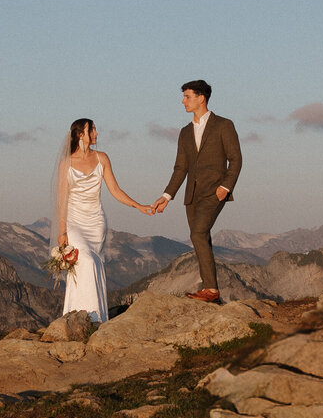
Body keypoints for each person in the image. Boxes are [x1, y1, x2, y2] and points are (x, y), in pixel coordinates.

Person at [54, 118, 153, 322]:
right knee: (86, 261)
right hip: (74, 222)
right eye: (93, 130)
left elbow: (115, 190)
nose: (97, 134)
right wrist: (62, 231)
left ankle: (96, 317)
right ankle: (87, 316)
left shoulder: (102, 158)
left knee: (93, 264)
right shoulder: (66, 162)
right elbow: (61, 200)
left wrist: (139, 206)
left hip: (96, 222)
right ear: (81, 134)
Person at [152, 80, 242, 303]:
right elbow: (180, 168)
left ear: (201, 98)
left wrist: (225, 187)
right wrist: (166, 196)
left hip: (215, 192)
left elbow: (236, 159)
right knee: (202, 238)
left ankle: (211, 289)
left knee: (198, 233)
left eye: (187, 96)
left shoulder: (224, 125)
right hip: (191, 195)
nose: (183, 101)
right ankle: (211, 291)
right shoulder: (184, 132)